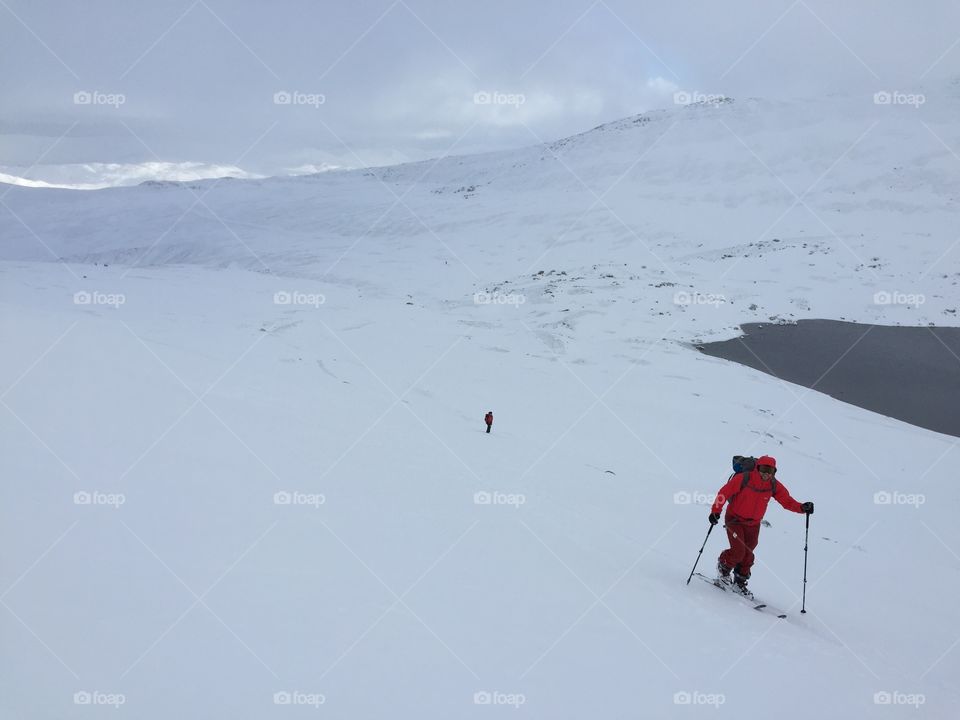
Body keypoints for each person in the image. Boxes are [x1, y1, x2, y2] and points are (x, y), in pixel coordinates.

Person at [708, 455, 813, 598]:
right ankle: (723, 567)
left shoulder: (773, 485)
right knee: (739, 551)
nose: (766, 473)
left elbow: (787, 501)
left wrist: (802, 508)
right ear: (757, 468)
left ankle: (739, 583)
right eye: (764, 469)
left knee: (748, 554)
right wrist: (715, 511)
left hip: (753, 524)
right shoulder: (744, 478)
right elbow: (724, 493)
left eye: (771, 471)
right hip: (735, 520)